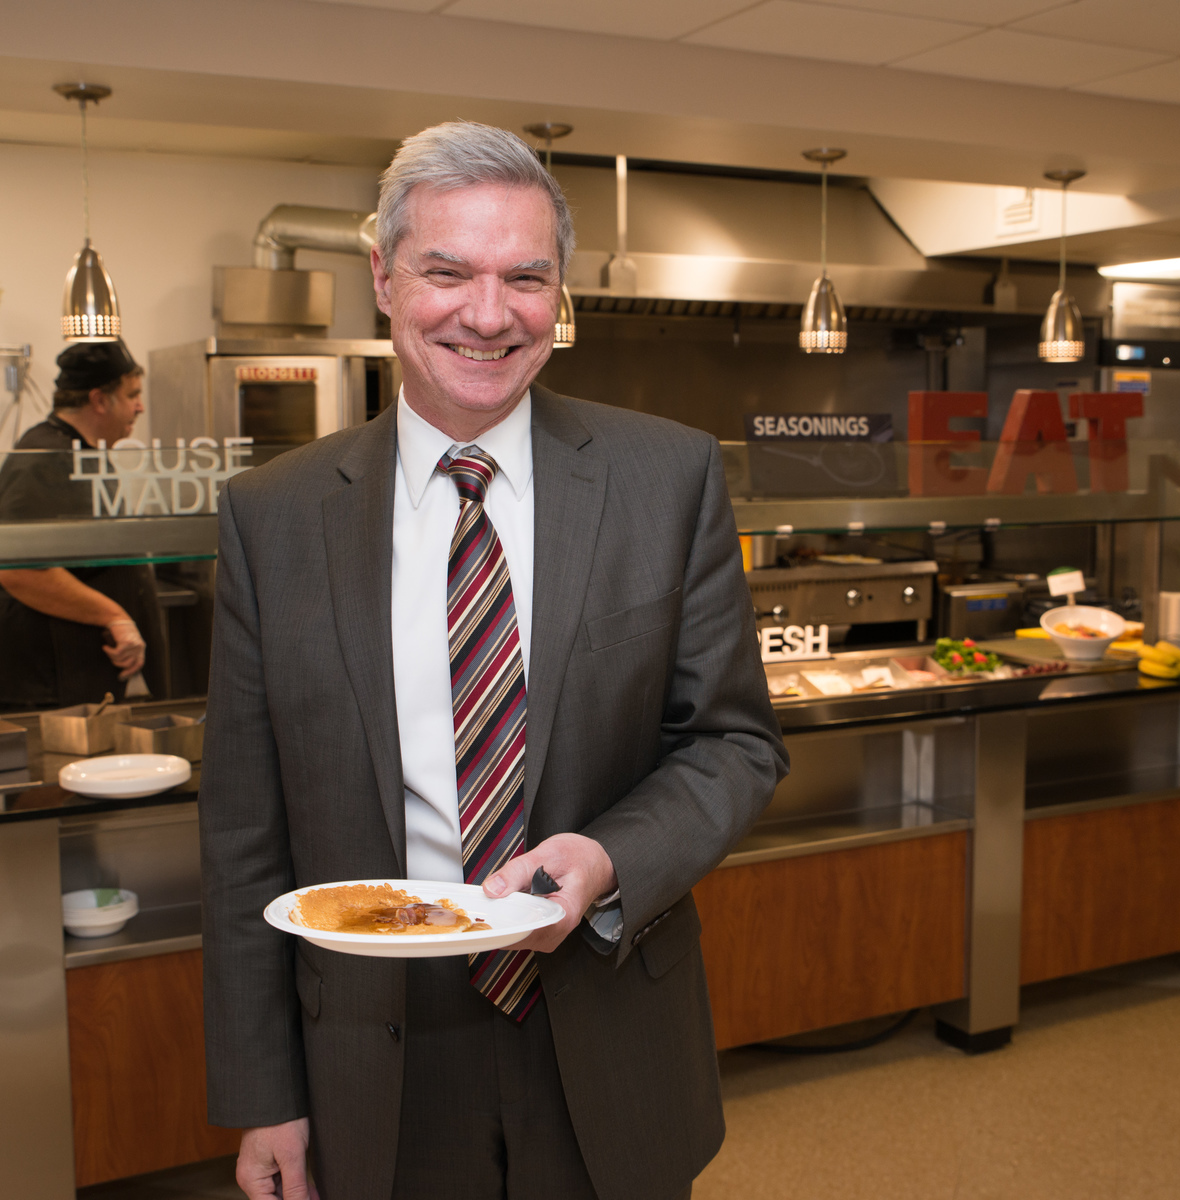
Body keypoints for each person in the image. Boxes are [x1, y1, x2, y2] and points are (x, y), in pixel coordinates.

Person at [200, 121, 787, 1200]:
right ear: (383, 278)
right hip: (375, 1051)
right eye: (447, 271)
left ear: (558, 294)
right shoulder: (271, 518)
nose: (487, 312)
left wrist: (610, 858)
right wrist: (261, 1095)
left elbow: (734, 744)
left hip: (608, 1015)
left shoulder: (669, 479)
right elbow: (245, 833)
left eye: (525, 277)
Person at [0, 340, 165, 711]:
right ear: (99, 400)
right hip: (51, 687)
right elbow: (18, 569)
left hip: (83, 678)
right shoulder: (45, 458)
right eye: (132, 395)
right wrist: (115, 616)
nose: (140, 406)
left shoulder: (85, 453)